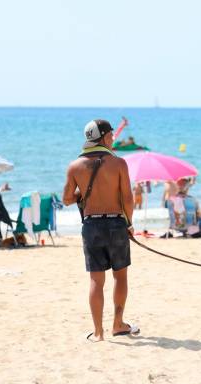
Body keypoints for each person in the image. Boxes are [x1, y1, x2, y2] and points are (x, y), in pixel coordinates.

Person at [62, 119, 137, 343]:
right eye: (112, 136)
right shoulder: (119, 163)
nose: (113, 139)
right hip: (116, 224)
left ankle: (98, 332)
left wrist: (84, 194)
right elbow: (127, 198)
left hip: (91, 225)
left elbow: (66, 199)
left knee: (96, 280)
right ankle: (118, 324)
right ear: (104, 137)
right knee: (120, 276)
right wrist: (129, 223)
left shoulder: (75, 166)